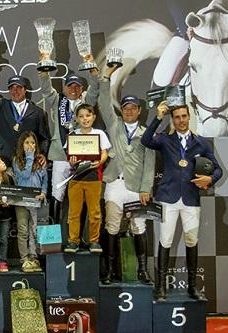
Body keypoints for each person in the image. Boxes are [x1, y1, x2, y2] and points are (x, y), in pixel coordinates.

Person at [141, 101, 223, 301]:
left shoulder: (202, 142)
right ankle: (161, 288)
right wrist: (158, 117)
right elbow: (145, 140)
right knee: (165, 241)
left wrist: (210, 179)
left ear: (189, 117)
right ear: (173, 120)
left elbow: (218, 169)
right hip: (168, 198)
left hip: (191, 199)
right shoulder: (164, 140)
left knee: (191, 241)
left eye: (184, 116)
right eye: (177, 117)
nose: (181, 120)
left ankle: (192, 287)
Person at [98, 65, 156, 284]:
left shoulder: (146, 133)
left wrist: (146, 188)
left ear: (139, 110)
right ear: (121, 110)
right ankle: (110, 270)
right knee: (111, 226)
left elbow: (150, 164)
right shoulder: (114, 125)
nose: (129, 111)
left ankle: (143, 270)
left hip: (135, 188)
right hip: (114, 184)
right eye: (125, 108)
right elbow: (104, 104)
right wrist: (106, 78)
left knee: (139, 227)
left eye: (133, 108)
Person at [38, 65, 100, 224]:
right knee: (57, 194)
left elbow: (95, 89)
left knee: (84, 195)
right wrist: (44, 71)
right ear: (64, 88)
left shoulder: (87, 102)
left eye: (77, 86)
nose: (73, 89)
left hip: (83, 155)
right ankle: (52, 241)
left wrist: (94, 73)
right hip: (60, 155)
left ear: (81, 89)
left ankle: (80, 240)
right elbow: (46, 89)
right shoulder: (58, 100)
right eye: (70, 85)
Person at [0, 57, 50, 165]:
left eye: (18, 87)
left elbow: (44, 138)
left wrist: (43, 154)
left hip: (27, 160)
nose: (15, 91)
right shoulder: (1, 106)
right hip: (2, 157)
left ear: (25, 90)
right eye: (12, 88)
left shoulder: (37, 112)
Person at [64, 104, 111, 254]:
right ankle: (73, 242)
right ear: (77, 119)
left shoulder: (100, 134)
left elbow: (104, 153)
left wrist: (101, 161)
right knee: (74, 213)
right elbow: (70, 156)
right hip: (76, 178)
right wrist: (71, 161)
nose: (85, 119)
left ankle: (94, 241)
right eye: (81, 116)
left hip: (94, 178)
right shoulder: (73, 135)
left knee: (95, 212)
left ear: (93, 117)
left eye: (88, 115)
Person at [12, 131, 48, 272]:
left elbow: (44, 180)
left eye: (33, 143)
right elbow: (25, 175)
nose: (30, 145)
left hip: (35, 200)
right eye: (27, 142)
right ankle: (24, 259)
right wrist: (29, 157)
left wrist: (43, 192)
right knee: (23, 230)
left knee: (34, 230)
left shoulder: (40, 161)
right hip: (21, 200)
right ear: (22, 144)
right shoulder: (17, 160)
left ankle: (34, 257)